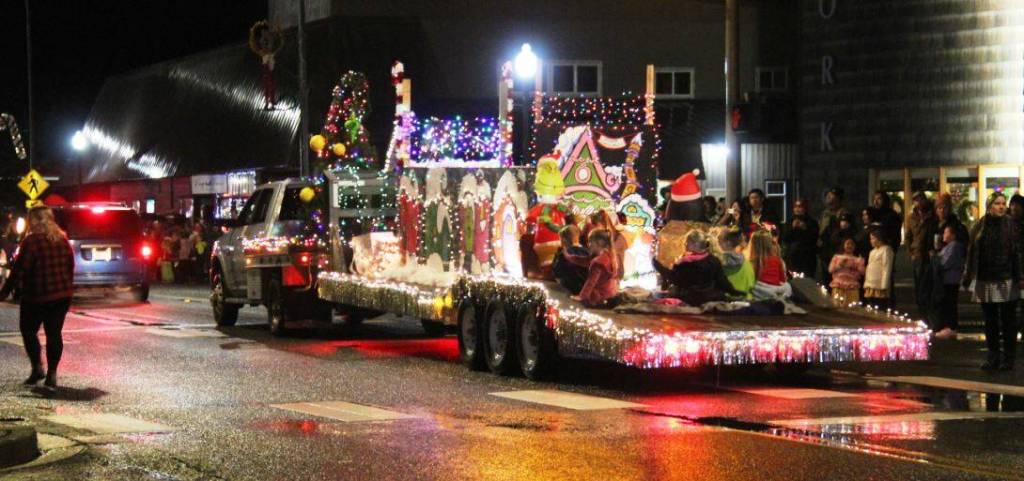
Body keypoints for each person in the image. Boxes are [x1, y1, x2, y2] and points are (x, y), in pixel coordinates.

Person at [0, 207, 74, 388]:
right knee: (54, 333)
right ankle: (52, 374)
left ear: (35, 221)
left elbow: (19, 269)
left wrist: (4, 292)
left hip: (37, 295)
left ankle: (37, 367)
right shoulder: (62, 239)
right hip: (62, 294)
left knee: (28, 330)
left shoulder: (31, 241)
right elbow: (70, 266)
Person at [963, 192, 1022, 371]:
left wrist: (1019, 277)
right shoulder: (981, 224)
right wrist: (968, 276)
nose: (1002, 206)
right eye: (998, 203)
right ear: (990, 206)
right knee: (990, 320)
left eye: (1003, 203)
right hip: (986, 278)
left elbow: (1017, 253)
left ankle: (1008, 358)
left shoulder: (1011, 224)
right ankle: (993, 355)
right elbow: (972, 250)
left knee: (1008, 320)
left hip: (1006, 278)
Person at [654, 229, 742, 305]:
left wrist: (657, 266)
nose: (685, 244)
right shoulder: (713, 260)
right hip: (711, 297)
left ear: (695, 244)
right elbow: (722, 281)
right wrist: (734, 292)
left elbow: (676, 279)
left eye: (687, 242)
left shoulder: (688, 263)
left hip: (692, 298)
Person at [906, 192, 936, 317]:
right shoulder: (912, 217)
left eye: (920, 200)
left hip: (929, 254)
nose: (918, 203)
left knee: (929, 286)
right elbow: (908, 236)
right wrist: (910, 252)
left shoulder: (932, 215)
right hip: (917, 254)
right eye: (915, 200)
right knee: (919, 287)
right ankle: (922, 314)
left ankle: (930, 314)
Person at [571, 229, 619, 308]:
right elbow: (584, 261)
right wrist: (570, 257)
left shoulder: (598, 261)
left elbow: (591, 281)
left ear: (599, 243)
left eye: (590, 242)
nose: (588, 245)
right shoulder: (609, 255)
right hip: (610, 293)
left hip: (600, 297)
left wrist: (582, 297)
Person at [933, 224, 966, 339]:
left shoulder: (954, 246)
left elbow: (945, 262)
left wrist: (937, 260)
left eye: (946, 232)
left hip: (951, 279)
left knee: (950, 303)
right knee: (947, 303)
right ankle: (948, 326)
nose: (944, 235)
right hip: (947, 279)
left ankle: (951, 327)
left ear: (953, 235)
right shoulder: (948, 246)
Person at [749, 229, 792, 301]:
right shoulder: (777, 260)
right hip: (775, 292)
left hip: (759, 292)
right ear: (769, 244)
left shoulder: (751, 262)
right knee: (788, 286)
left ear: (753, 245)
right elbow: (782, 280)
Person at [781, 198, 819, 277]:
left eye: (800, 207)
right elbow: (785, 238)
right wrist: (792, 228)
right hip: (792, 257)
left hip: (807, 258)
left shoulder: (812, 222)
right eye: (796, 207)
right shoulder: (790, 222)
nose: (797, 209)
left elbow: (814, 238)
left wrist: (805, 228)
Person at [818, 187, 847, 287]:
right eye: (828, 196)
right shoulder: (824, 214)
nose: (829, 199)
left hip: (837, 250)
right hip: (824, 251)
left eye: (832, 196)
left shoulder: (843, 214)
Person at [552, 225, 590, 295]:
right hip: (585, 286)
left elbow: (556, 271)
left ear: (563, 240)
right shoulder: (587, 252)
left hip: (568, 287)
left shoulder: (562, 254)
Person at [718, 228, 755, 299]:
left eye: (719, 240)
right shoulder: (747, 264)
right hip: (745, 302)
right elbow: (751, 286)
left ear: (727, 243)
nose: (717, 243)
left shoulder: (717, 264)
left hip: (724, 303)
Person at [864, 229, 895, 310]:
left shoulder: (886, 250)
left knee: (880, 304)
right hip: (870, 282)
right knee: (871, 303)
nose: (871, 241)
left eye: (873, 238)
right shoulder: (872, 252)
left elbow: (887, 267)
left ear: (879, 238)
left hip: (879, 283)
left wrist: (884, 284)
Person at [829, 238, 866, 304]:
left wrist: (856, 266)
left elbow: (863, 272)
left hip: (852, 286)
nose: (850, 246)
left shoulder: (858, 259)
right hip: (838, 285)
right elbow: (830, 270)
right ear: (843, 245)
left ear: (855, 247)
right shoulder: (837, 257)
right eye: (847, 244)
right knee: (837, 305)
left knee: (851, 308)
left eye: (852, 244)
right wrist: (840, 265)